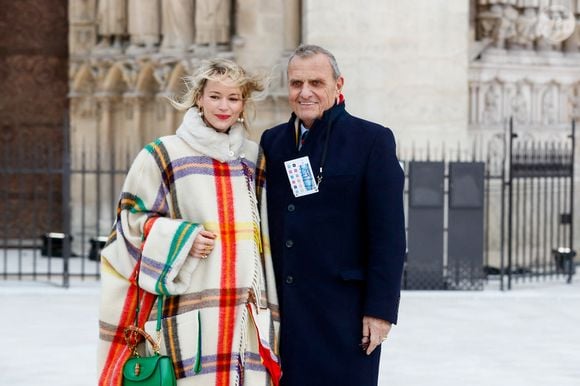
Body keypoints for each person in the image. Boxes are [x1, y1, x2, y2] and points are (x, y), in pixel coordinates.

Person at [97, 58, 281, 386]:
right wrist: (181, 238)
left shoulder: (255, 158)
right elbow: (128, 224)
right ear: (199, 97)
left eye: (233, 98)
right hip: (190, 315)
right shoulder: (162, 154)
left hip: (247, 318)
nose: (224, 106)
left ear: (243, 104)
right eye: (215, 96)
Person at [257, 44, 406, 386]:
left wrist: (380, 312)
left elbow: (389, 236)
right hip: (285, 313)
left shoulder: (371, 140)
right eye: (296, 83)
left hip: (345, 315)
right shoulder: (273, 141)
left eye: (316, 83)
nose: (305, 92)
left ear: (338, 84)